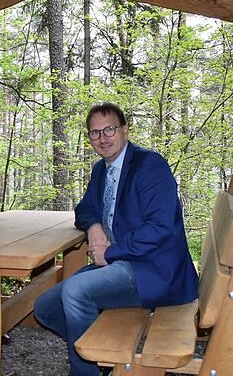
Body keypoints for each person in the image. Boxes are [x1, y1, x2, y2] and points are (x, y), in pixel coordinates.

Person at [34, 102, 199, 376]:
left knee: (76, 291)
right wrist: (94, 226)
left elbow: (161, 227)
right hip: (120, 263)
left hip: (153, 269)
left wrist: (110, 253)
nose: (102, 138)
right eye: (94, 133)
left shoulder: (149, 165)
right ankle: (104, 357)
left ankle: (86, 372)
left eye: (108, 129)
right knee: (45, 307)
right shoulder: (101, 170)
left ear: (124, 130)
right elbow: (84, 209)